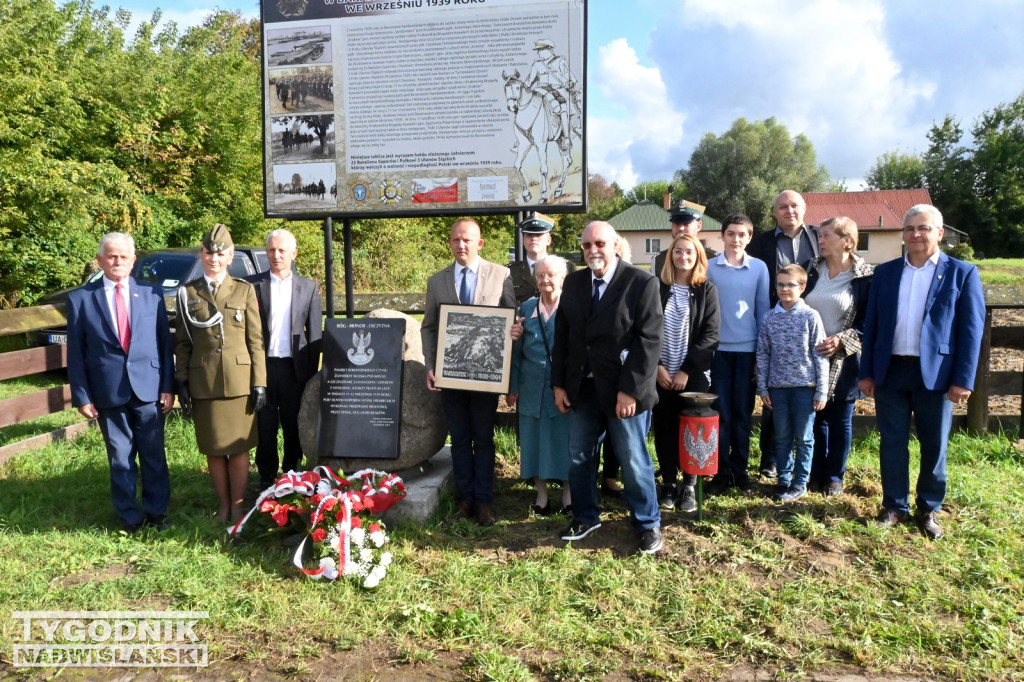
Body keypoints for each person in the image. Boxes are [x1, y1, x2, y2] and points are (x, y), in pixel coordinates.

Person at [858, 204, 985, 539]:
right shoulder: (884, 273)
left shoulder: (962, 273)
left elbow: (971, 331)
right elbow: (871, 327)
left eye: (924, 228)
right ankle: (894, 506)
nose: (916, 234)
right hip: (891, 372)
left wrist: (963, 379)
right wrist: (867, 372)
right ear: (903, 233)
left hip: (937, 376)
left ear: (939, 233)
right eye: (910, 228)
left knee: (934, 444)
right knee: (892, 442)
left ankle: (928, 508)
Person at [551, 221, 664, 554]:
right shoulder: (573, 283)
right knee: (579, 454)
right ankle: (586, 516)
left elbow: (649, 340)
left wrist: (630, 389)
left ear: (615, 245)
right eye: (586, 245)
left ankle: (647, 522)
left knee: (632, 457)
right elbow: (563, 337)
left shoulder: (641, 282)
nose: (592, 250)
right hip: (581, 388)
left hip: (623, 390)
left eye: (599, 243)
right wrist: (559, 383)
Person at [66, 233, 174, 533]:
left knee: (153, 454)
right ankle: (129, 517)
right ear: (100, 260)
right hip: (107, 389)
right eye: (111, 256)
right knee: (120, 456)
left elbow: (165, 344)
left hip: (149, 387)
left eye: (123, 256)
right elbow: (75, 352)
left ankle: (156, 513)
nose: (117, 261)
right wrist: (81, 395)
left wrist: (168, 386)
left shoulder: (151, 294)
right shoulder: (80, 299)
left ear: (133, 260)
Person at [422, 218, 516, 526]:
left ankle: (484, 501)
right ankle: (465, 499)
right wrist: (431, 365)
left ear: (480, 243)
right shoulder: (437, 281)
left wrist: (514, 337)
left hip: (487, 376)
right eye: (455, 240)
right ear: (450, 243)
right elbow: (430, 327)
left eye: (467, 240)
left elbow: (512, 320)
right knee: (459, 438)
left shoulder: (501, 275)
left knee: (484, 438)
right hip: (450, 375)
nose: (461, 245)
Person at [175, 223, 267, 524]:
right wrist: (182, 380)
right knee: (213, 448)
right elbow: (184, 341)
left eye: (220, 253)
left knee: (239, 448)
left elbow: (256, 340)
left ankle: (239, 507)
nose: (213, 258)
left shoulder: (244, 289)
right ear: (201, 255)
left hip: (240, 382)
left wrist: (260, 383)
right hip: (205, 380)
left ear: (229, 257)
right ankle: (224, 506)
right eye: (208, 252)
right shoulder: (188, 293)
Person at [748, 189, 821, 478]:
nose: (789, 211)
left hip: (812, 322)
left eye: (794, 206)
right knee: (773, 402)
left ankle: (808, 468)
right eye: (782, 207)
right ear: (774, 211)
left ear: (804, 208)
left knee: (809, 405)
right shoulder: (760, 243)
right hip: (775, 324)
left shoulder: (819, 237)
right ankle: (771, 460)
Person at [803, 217, 873, 495]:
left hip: (845, 359)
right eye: (820, 235)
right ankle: (816, 472)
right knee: (817, 418)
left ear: (847, 241)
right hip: (810, 358)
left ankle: (835, 476)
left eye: (827, 235)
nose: (820, 240)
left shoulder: (865, 277)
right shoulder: (811, 270)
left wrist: (843, 340)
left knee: (841, 420)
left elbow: (870, 321)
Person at [248, 228, 322, 489]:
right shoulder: (252, 285)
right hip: (263, 367)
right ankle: (266, 477)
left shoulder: (309, 287)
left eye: (281, 250)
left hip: (295, 369)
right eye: (271, 250)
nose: (276, 255)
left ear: (294, 254)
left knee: (293, 424)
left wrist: (311, 376)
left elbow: (314, 334)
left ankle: (292, 473)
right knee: (264, 425)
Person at [652, 234, 720, 513]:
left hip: (692, 375)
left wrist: (686, 370)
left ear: (698, 256)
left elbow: (711, 335)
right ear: (670, 256)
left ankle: (689, 485)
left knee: (692, 430)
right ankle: (668, 483)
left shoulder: (706, 290)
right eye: (678, 251)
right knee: (665, 428)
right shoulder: (656, 287)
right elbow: (643, 328)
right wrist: (656, 366)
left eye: (689, 252)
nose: (683, 256)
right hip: (659, 374)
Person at [705, 214, 770, 495]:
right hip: (718, 352)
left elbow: (763, 310)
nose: (736, 239)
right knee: (722, 414)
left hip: (747, 352)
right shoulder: (709, 268)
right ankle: (720, 471)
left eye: (742, 234)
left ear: (750, 237)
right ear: (722, 236)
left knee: (743, 415)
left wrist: (762, 355)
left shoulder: (759, 268)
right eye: (731, 233)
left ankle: (740, 472)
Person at [756, 265, 828, 502]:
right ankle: (784, 480)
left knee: (804, 437)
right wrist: (764, 387)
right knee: (783, 436)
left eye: (790, 285)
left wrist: (821, 390)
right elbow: (763, 353)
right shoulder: (769, 317)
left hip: (804, 388)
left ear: (802, 287)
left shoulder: (810, 316)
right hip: (777, 389)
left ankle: (800, 482)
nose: (785, 289)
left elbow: (819, 354)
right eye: (780, 284)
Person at [507, 256, 572, 515]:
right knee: (533, 439)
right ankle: (541, 495)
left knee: (564, 438)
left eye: (551, 275)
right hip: (531, 386)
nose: (545, 280)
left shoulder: (573, 306)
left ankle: (568, 496)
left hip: (562, 387)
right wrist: (513, 386)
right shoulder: (527, 308)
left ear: (562, 278)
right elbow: (517, 350)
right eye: (541, 275)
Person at [509, 213, 575, 304]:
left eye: (538, 235)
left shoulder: (567, 268)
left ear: (548, 240)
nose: (534, 239)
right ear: (523, 239)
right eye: (529, 235)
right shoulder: (509, 271)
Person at [650, 205, 718, 275]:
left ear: (698, 226)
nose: (680, 228)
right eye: (677, 223)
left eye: (686, 224)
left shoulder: (714, 259)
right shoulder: (659, 260)